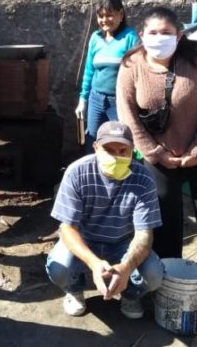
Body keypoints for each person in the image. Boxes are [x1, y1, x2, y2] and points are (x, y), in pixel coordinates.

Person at [116, 6, 197, 293]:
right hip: (158, 154)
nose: (159, 37)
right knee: (164, 219)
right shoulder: (132, 65)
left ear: (178, 36)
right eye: (152, 33)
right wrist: (155, 153)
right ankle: (168, 284)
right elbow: (127, 114)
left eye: (166, 32)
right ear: (141, 35)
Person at [46, 121, 164, 319]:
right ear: (95, 147)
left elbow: (144, 234)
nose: (116, 156)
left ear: (132, 151)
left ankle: (130, 293)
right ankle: (74, 289)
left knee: (154, 275)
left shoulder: (144, 178)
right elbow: (67, 228)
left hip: (123, 242)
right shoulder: (77, 172)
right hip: (86, 239)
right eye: (109, 150)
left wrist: (126, 267)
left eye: (122, 150)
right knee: (59, 268)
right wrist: (93, 263)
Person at [75, 0, 139, 150]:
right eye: (101, 16)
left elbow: (137, 72)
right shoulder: (95, 38)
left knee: (120, 141)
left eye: (110, 15)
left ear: (121, 15)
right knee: (93, 140)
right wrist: (83, 100)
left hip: (119, 101)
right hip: (96, 99)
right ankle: (93, 172)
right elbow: (89, 71)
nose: (105, 20)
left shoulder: (130, 37)